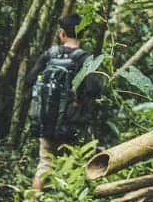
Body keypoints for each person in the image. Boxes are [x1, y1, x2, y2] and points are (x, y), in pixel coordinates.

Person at [25, 13, 101, 190]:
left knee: (44, 165)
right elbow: (93, 89)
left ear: (62, 33)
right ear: (81, 34)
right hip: (71, 126)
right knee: (76, 165)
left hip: (46, 123)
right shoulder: (84, 59)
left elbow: (29, 80)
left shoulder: (49, 55)